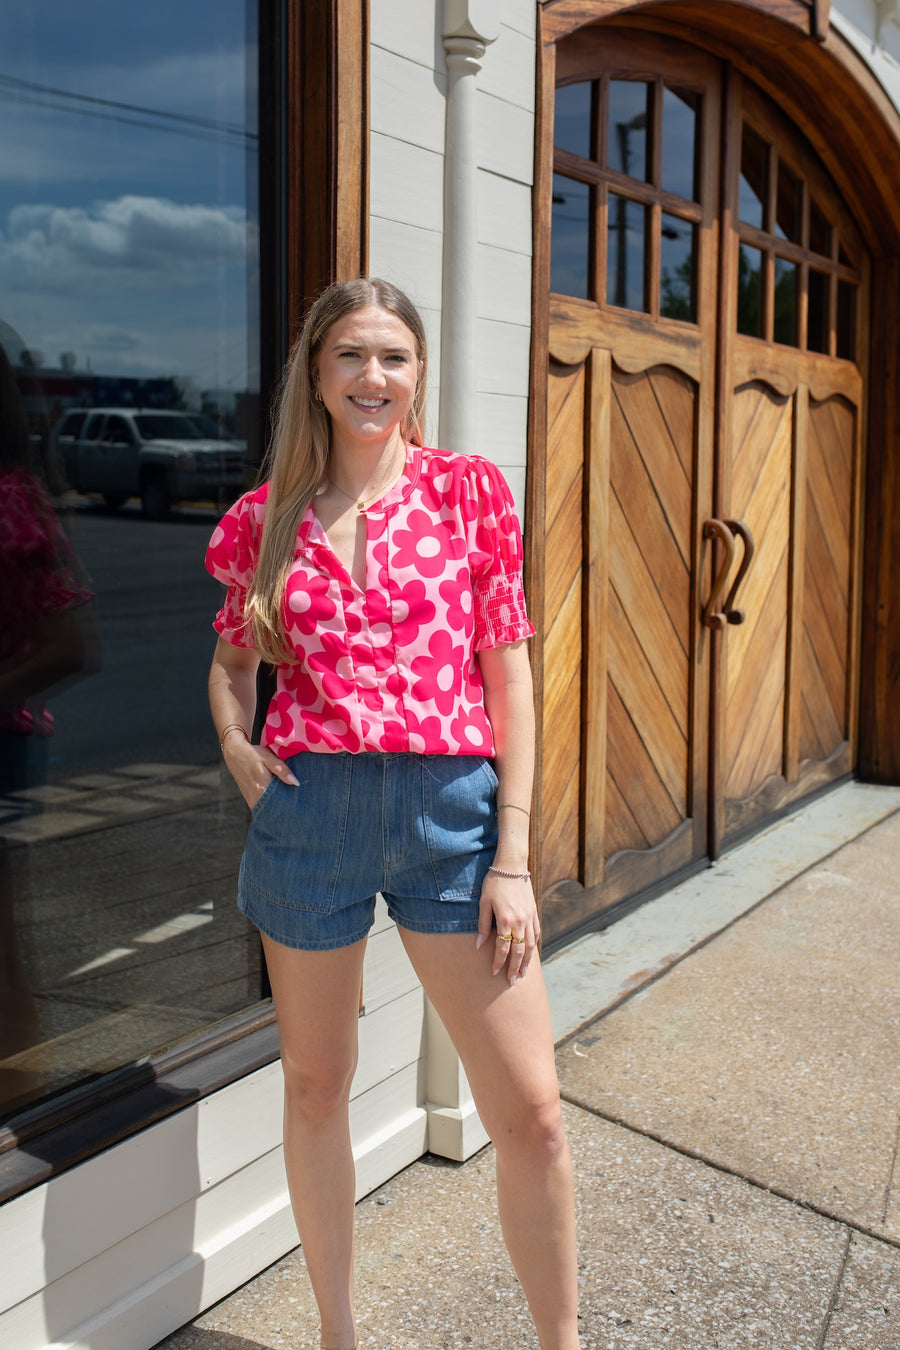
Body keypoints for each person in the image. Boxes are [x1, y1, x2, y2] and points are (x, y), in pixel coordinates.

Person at [206, 278, 581, 1350]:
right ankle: (338, 1333)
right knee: (318, 1086)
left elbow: (509, 680)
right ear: (317, 378)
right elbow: (233, 667)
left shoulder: (467, 493)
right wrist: (239, 748)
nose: (374, 378)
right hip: (311, 817)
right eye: (351, 358)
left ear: (418, 376)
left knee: (534, 1116)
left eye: (395, 359)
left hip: (452, 817)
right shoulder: (263, 519)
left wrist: (511, 854)